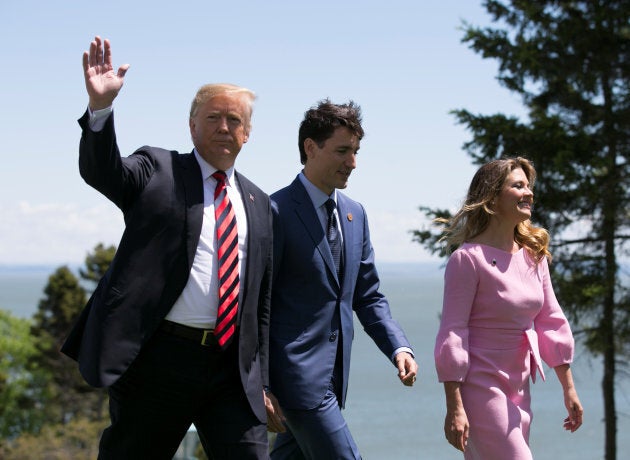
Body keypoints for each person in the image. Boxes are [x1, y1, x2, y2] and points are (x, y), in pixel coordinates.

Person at [61, 36, 285, 459]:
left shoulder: (259, 204)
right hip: (158, 363)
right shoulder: (157, 169)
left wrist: (263, 381)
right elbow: (102, 172)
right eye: (214, 117)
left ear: (248, 134)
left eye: (234, 120)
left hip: (231, 371)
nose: (224, 127)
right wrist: (100, 109)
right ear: (192, 125)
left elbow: (262, 305)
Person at [267, 99, 419, 459]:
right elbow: (256, 305)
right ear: (310, 148)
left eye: (355, 151)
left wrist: (399, 346)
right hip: (297, 382)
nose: (352, 162)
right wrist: (261, 384)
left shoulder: (356, 214)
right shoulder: (273, 211)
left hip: (333, 382)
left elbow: (367, 296)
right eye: (342, 151)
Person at [434, 157, 584, 459]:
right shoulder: (467, 260)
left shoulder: (534, 256)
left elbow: (551, 322)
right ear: (492, 198)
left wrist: (568, 389)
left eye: (529, 186)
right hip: (480, 389)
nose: (528, 192)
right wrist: (455, 407)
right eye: (518, 186)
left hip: (518, 388)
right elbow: (453, 334)